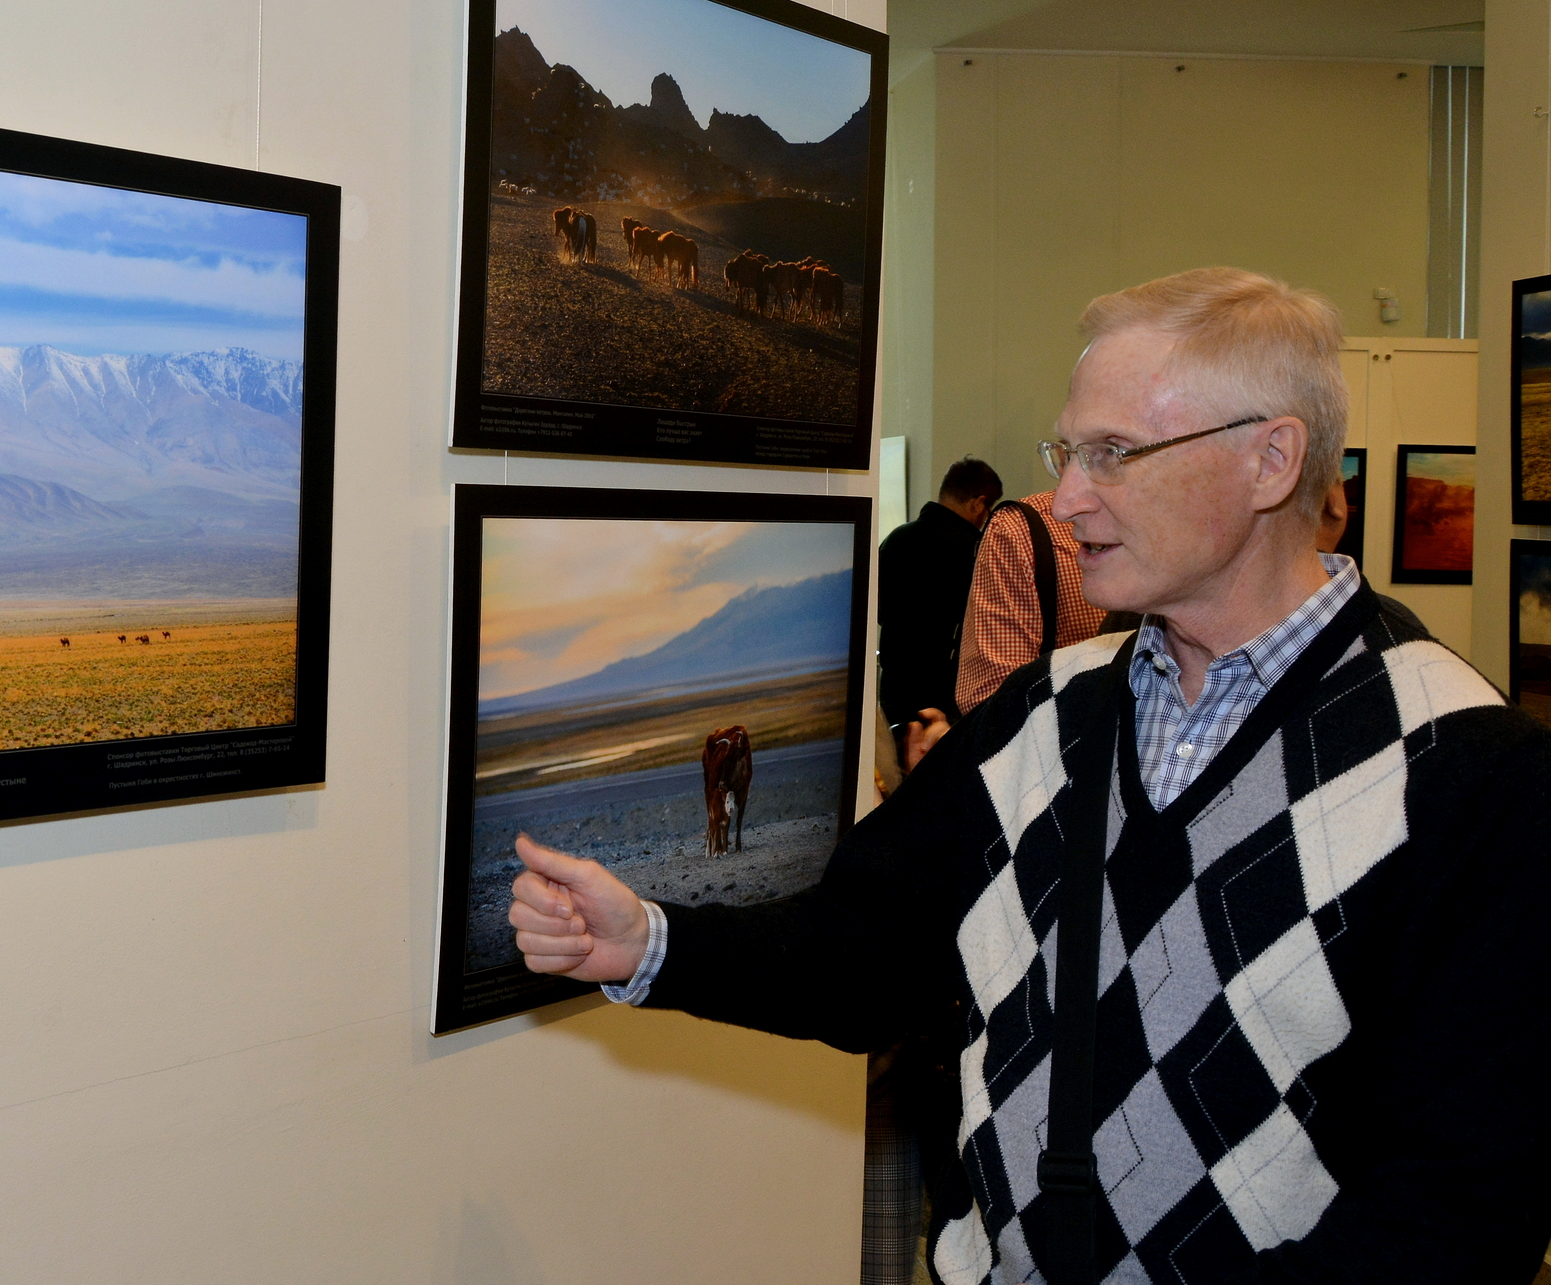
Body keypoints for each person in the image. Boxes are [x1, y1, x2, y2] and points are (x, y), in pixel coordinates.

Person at [510, 267, 1551, 1283]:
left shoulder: (1466, 770)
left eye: (1116, 452)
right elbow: (859, 954)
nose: (1069, 497)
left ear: (1271, 460)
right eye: (1070, 450)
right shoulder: (1045, 713)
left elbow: (1462, 1204)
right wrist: (650, 941)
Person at [954, 490, 1105, 714]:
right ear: (978, 503)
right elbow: (995, 708)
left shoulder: (1022, 528)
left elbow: (994, 710)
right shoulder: (1021, 528)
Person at [879, 458, 1003, 727]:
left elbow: (877, 611)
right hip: (947, 694)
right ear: (978, 503)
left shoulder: (896, 539)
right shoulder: (978, 551)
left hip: (894, 688)